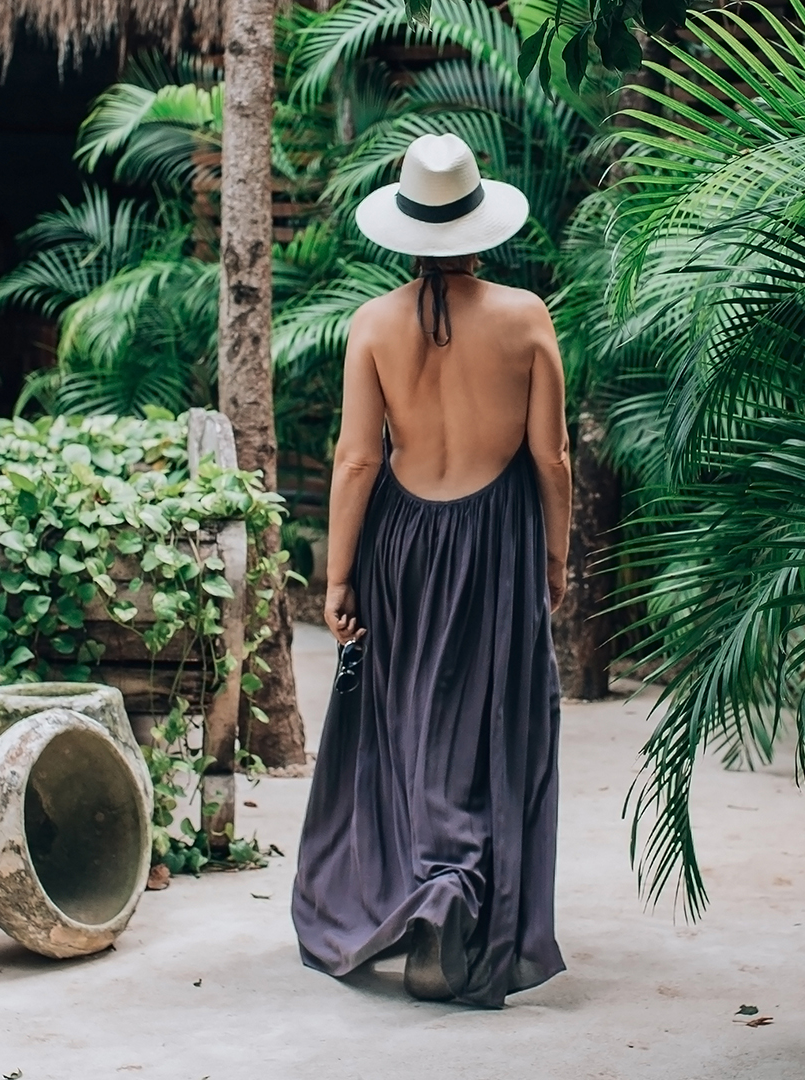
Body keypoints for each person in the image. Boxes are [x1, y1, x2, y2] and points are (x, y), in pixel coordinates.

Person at [289, 132, 571, 1008]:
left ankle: (424, 890)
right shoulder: (525, 316)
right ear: (479, 225)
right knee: (489, 718)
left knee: (408, 715)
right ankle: (457, 895)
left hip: (403, 540)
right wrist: (555, 559)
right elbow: (552, 458)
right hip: (497, 540)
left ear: (407, 230)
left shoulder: (371, 324)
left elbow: (355, 461)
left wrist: (338, 575)